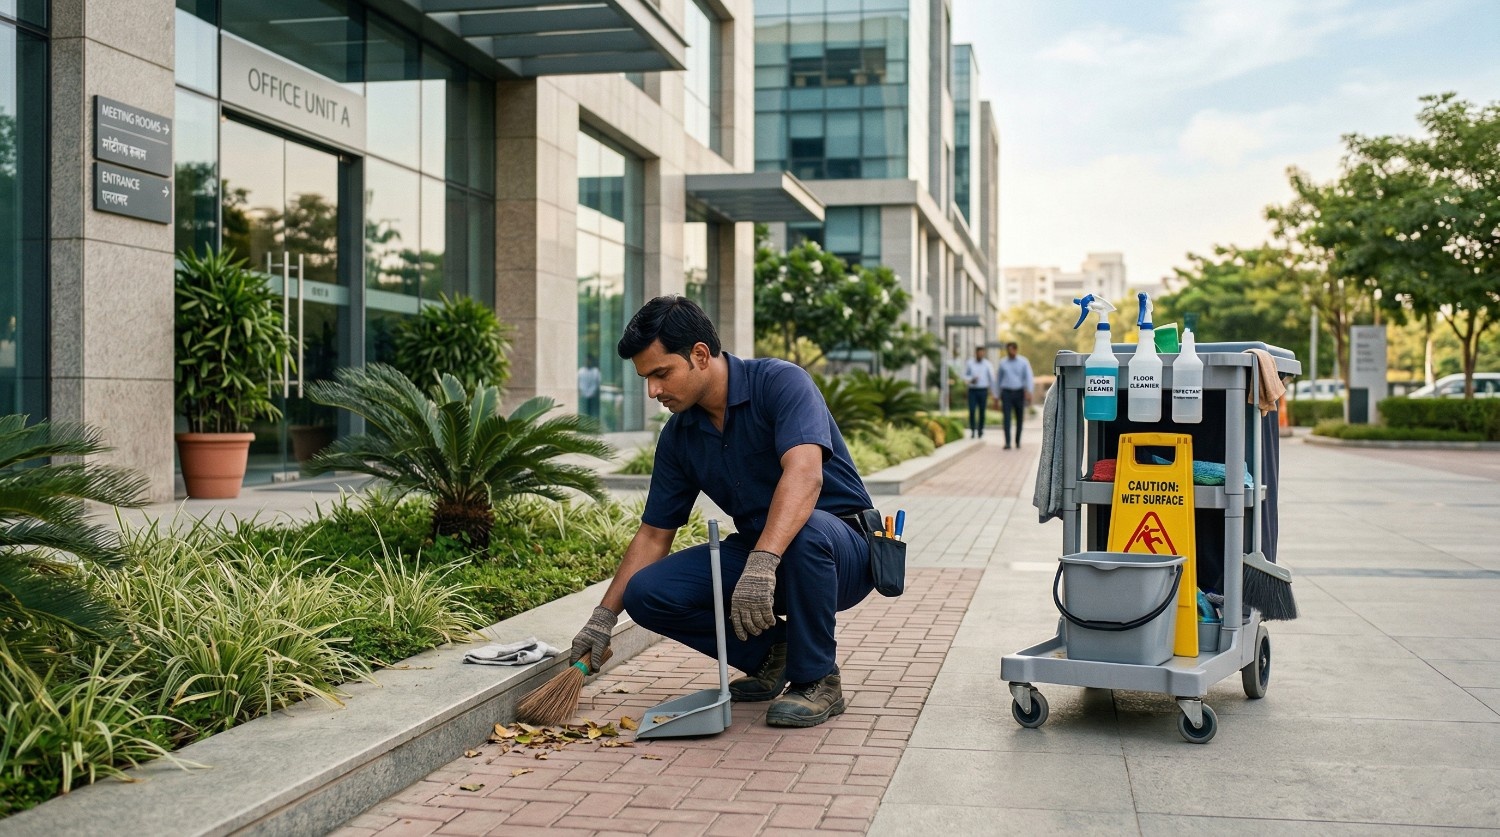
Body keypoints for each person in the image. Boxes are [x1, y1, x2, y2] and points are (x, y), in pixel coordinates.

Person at [568, 296, 878, 728]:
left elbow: (805, 476)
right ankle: (775, 654)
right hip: (759, 560)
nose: (653, 391)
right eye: (646, 378)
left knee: (805, 531)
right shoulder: (680, 436)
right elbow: (654, 533)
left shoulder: (781, 383)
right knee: (648, 592)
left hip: (839, 552)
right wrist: (603, 619)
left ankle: (817, 679)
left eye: (660, 374)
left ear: (699, 355)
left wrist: (763, 562)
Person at [996, 341, 1035, 449]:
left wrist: (1029, 392)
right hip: (1006, 393)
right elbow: (998, 380)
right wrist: (996, 395)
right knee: (1007, 418)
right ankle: (1007, 443)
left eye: (1012, 350)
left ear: (1016, 350)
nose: (1010, 352)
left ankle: (1017, 441)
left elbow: (1028, 377)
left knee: (1019, 418)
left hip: (1019, 392)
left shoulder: (1023, 362)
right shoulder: (1003, 363)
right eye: (1008, 350)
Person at [963, 346, 996, 438]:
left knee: (982, 411)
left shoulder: (988, 364)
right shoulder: (970, 363)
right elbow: (965, 376)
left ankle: (980, 430)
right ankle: (973, 430)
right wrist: (970, 379)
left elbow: (992, 379)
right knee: (972, 410)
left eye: (982, 353)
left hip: (983, 390)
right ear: (976, 353)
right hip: (972, 390)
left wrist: (994, 392)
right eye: (979, 353)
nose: (980, 354)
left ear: (984, 353)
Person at [577, 354, 601, 420]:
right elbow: (577, 384)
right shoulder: (580, 371)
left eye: (589, 361)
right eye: (586, 361)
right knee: (583, 414)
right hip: (583, 397)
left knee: (592, 415)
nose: (587, 362)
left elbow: (599, 384)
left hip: (593, 397)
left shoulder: (596, 371)